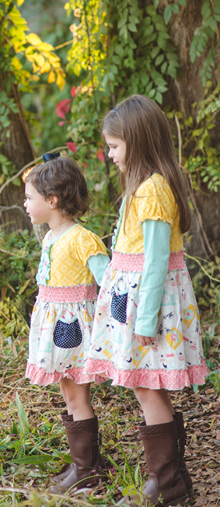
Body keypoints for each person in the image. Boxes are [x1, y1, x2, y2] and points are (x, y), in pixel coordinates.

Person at [84, 94, 209, 507]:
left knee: (147, 387)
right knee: (147, 386)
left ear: (136, 141)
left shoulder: (153, 190)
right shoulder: (140, 188)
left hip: (149, 310)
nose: (109, 154)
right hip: (134, 303)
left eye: (115, 146)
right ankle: (173, 480)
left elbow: (156, 263)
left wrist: (144, 322)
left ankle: (167, 484)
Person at [23, 153, 111, 493]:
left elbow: (109, 282)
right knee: (68, 393)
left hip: (73, 331)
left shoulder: (80, 238)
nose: (26, 204)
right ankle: (83, 465)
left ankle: (87, 472)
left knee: (76, 397)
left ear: (53, 200)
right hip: (56, 330)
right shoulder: (50, 237)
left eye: (30, 198)